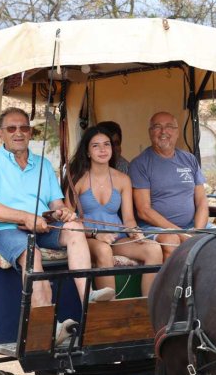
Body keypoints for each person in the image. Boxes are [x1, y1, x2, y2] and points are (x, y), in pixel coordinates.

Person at [0, 107, 114, 344]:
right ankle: (46, 326)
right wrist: (25, 217)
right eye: (12, 128)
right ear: (1, 134)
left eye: (24, 128)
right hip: (4, 230)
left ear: (31, 132)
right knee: (32, 252)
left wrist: (64, 213)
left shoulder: (42, 164)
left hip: (43, 225)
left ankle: (88, 297)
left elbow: (57, 204)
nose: (18, 133)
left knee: (75, 228)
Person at [66, 125, 163, 297]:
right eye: (96, 145)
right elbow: (69, 220)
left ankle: (147, 309)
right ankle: (108, 313)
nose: (103, 149)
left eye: (107, 144)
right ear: (87, 151)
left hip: (116, 237)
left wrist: (134, 231)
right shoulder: (77, 178)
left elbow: (128, 218)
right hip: (88, 239)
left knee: (154, 249)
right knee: (103, 249)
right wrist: (96, 235)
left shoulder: (123, 179)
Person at [129, 111, 210, 260]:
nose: (163, 131)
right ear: (150, 132)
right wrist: (179, 232)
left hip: (191, 225)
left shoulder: (189, 159)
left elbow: (202, 201)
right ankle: (174, 284)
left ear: (177, 132)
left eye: (169, 127)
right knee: (171, 241)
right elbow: (143, 210)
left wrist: (197, 231)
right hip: (154, 227)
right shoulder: (140, 164)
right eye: (157, 127)